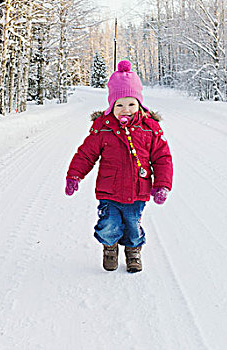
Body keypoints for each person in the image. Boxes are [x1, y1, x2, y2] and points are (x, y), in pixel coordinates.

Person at [65, 60, 173, 273]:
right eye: (120, 105)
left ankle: (133, 252)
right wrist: (74, 175)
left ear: (140, 104)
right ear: (111, 106)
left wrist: (162, 185)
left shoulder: (150, 129)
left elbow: (162, 158)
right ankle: (110, 247)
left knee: (133, 225)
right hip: (109, 190)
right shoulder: (103, 129)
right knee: (109, 225)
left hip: (138, 190)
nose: (126, 110)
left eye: (131, 104)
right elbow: (86, 154)